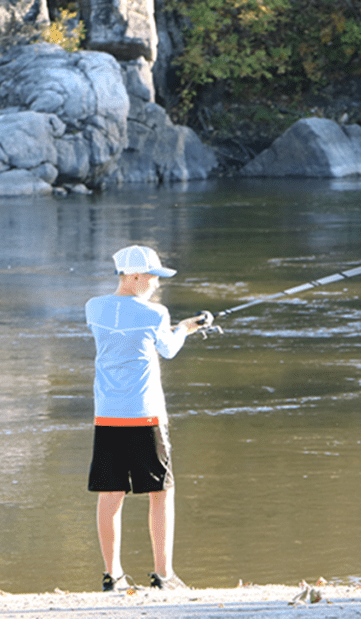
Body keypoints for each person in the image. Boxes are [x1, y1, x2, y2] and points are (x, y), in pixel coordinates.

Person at [84, 244, 213, 592]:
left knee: (110, 495)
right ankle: (163, 575)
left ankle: (113, 576)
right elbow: (167, 349)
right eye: (153, 276)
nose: (156, 282)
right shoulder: (156, 314)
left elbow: (125, 332)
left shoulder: (93, 308)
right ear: (135, 276)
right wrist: (186, 328)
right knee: (161, 492)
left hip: (107, 416)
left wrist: (176, 325)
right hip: (145, 417)